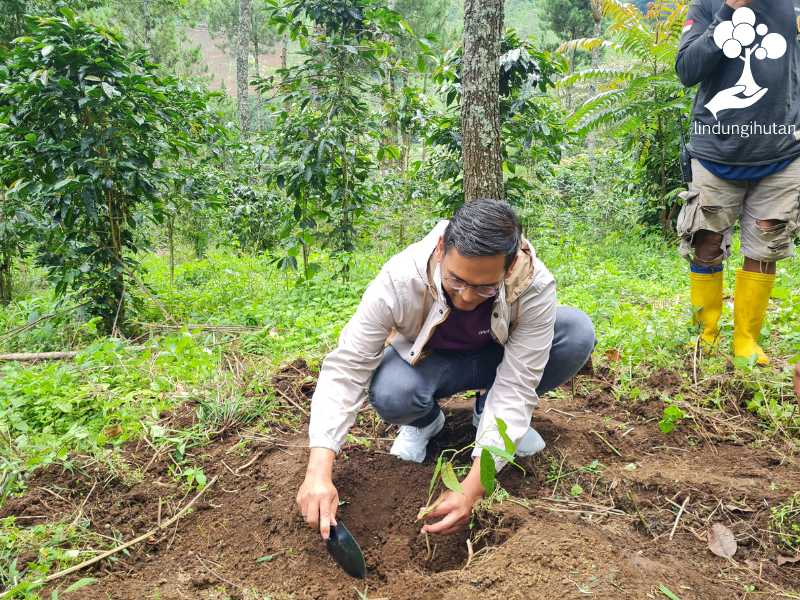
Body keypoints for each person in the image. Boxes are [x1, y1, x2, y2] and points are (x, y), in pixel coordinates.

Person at [296, 201, 596, 539]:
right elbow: (347, 367)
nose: (467, 297)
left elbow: (517, 385)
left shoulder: (533, 285)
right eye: (456, 280)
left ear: (509, 269)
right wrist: (318, 471)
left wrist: (472, 489)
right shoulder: (400, 277)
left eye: (485, 287)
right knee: (391, 391)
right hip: (429, 363)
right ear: (441, 249)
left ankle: (488, 415)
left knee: (575, 332)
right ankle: (425, 423)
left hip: (498, 360)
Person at [675, 0, 800, 365]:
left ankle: (747, 340)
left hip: (781, 152)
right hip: (717, 153)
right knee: (707, 242)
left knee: (765, 245)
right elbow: (687, 69)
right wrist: (728, 11)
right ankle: (706, 334)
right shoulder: (706, 5)